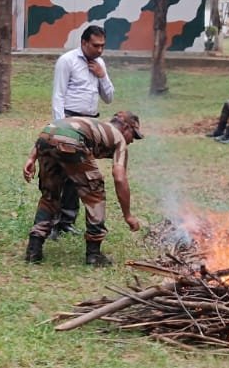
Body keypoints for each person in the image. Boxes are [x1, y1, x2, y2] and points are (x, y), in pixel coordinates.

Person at [22, 110, 143, 266]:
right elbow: (120, 178)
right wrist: (128, 215)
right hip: (71, 141)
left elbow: (55, 129)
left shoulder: (95, 125)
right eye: (133, 135)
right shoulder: (119, 139)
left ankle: (34, 249)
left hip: (46, 137)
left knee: (50, 196)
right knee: (95, 194)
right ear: (126, 127)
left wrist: (32, 157)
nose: (132, 141)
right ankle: (94, 254)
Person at [50, 24, 115, 229]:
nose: (99, 50)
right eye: (95, 45)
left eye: (102, 46)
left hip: (91, 124)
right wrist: (60, 127)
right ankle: (53, 221)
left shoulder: (99, 64)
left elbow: (109, 98)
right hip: (70, 122)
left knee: (80, 174)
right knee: (62, 172)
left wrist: (102, 75)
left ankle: (67, 221)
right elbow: (58, 95)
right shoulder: (67, 61)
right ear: (84, 42)